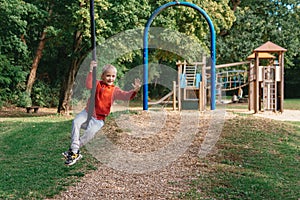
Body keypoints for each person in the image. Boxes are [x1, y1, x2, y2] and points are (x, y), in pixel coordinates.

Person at [63, 60, 141, 166]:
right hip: (87, 112)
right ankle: (75, 151)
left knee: (89, 134)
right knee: (76, 122)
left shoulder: (114, 90)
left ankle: (73, 150)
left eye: (113, 76)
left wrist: (135, 90)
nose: (110, 78)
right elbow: (89, 84)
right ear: (102, 76)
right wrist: (91, 70)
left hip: (99, 119)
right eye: (108, 75)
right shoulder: (98, 84)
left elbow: (126, 96)